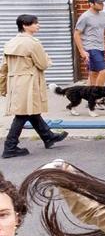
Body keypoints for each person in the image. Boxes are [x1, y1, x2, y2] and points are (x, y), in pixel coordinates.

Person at [0, 14, 68, 159]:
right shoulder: (33, 43)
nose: (38, 25)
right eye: (35, 23)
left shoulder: (10, 43)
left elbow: (4, 68)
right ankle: (9, 147)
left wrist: (3, 86)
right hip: (29, 82)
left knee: (30, 111)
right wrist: (48, 58)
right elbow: (42, 64)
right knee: (22, 114)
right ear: (25, 25)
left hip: (15, 82)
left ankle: (48, 137)